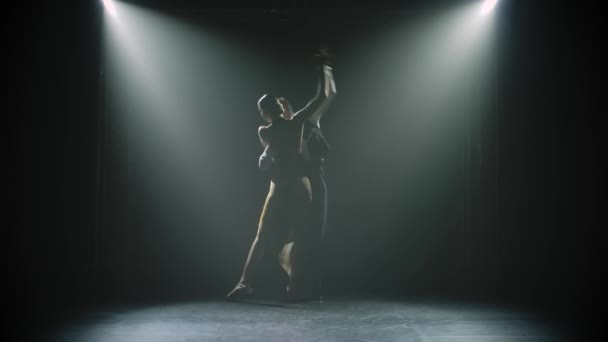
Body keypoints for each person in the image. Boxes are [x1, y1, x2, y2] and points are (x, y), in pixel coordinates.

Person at [226, 62, 336, 301]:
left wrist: (322, 71)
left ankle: (276, 284)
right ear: (272, 109)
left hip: (289, 185)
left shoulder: (276, 128)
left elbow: (321, 99)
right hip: (288, 186)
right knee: (278, 235)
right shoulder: (281, 126)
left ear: (271, 110)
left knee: (281, 235)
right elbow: (322, 97)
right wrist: (323, 70)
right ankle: (262, 284)